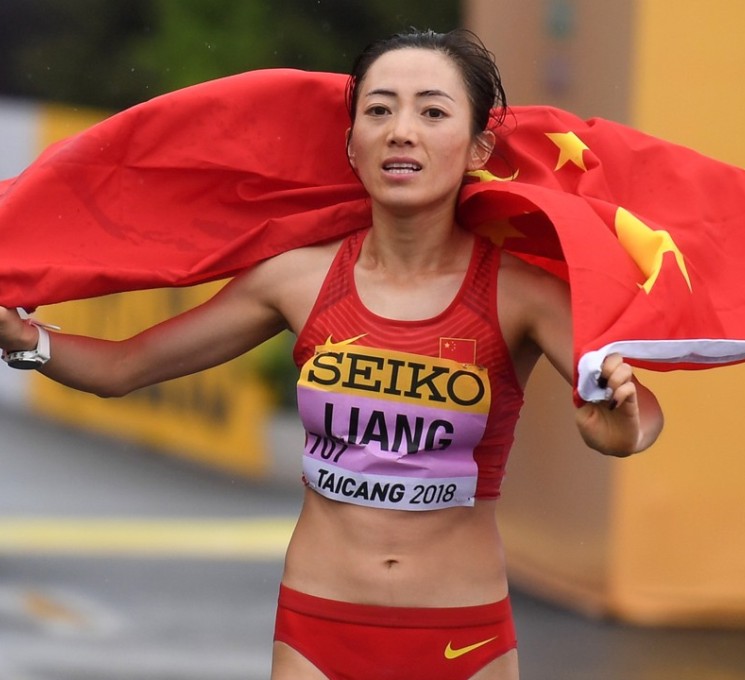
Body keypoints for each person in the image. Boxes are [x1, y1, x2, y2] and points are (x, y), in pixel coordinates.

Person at [0, 29, 663, 680]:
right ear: (352, 143)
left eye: (432, 112)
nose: (402, 130)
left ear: (477, 147)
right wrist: (31, 343)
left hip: (463, 634)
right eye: (379, 110)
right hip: (318, 631)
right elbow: (124, 369)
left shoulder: (524, 294)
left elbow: (634, 410)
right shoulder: (296, 280)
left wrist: (624, 430)